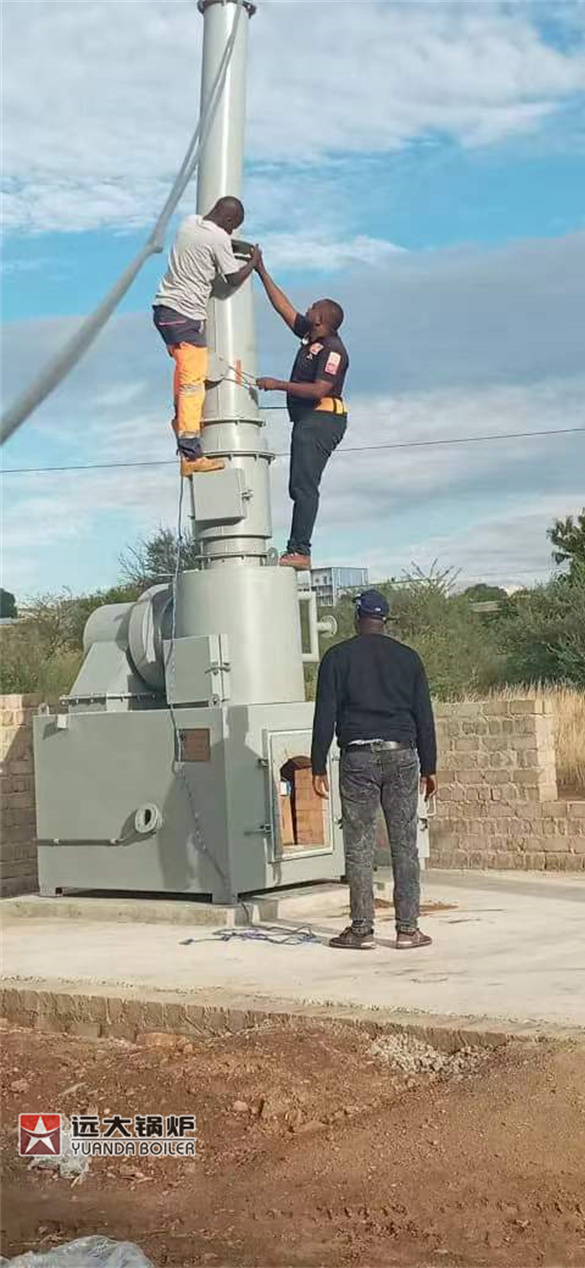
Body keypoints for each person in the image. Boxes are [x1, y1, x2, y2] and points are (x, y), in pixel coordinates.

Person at [311, 588, 438, 951]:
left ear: (357, 619)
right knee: (405, 844)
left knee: (359, 845)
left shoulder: (337, 658)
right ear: (385, 620)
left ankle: (362, 930)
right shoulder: (409, 658)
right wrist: (430, 766)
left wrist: (317, 763)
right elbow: (423, 717)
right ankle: (408, 930)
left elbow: (325, 716)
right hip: (402, 756)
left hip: (357, 759)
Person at [255, 252, 349, 570]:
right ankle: (297, 549)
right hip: (308, 420)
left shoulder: (333, 350)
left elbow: (320, 389)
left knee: (304, 485)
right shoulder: (310, 339)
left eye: (312, 308)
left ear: (321, 318)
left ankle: (300, 551)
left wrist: (277, 384)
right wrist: (261, 270)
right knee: (298, 484)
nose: (306, 310)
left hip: (322, 418)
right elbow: (283, 307)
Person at [153, 197, 259, 477]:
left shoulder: (188, 223)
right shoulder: (218, 239)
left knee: (184, 372)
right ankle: (191, 453)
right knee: (193, 384)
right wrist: (254, 263)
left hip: (164, 312)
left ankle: (181, 427)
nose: (230, 232)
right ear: (227, 221)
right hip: (185, 315)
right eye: (232, 227)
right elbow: (233, 279)